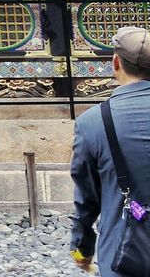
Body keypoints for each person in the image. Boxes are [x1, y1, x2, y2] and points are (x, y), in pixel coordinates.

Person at [71, 26, 150, 274]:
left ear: (115, 62)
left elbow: (86, 200)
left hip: (123, 256)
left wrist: (81, 249)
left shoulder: (92, 122)